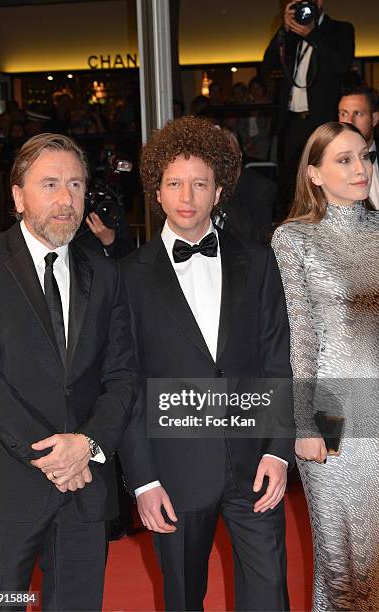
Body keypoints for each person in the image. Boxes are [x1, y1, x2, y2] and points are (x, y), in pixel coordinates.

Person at [119, 116, 294, 611]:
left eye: (200, 183)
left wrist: (278, 451)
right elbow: (127, 384)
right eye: (174, 183)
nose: (187, 195)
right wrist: (144, 480)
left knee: (268, 597)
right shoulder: (128, 278)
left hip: (254, 464)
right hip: (174, 471)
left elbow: (278, 361)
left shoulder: (258, 263)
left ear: (219, 192)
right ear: (157, 192)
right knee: (182, 600)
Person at [0, 133, 138, 611]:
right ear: (18, 195)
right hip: (5, 491)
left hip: (84, 489)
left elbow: (123, 375)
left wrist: (85, 445)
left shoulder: (105, 273)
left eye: (75, 184)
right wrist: (49, 454)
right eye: (49, 184)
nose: (66, 199)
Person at [272, 121, 379, 611]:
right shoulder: (295, 239)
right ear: (315, 174)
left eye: (363, 156)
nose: (359, 168)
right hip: (333, 415)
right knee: (341, 560)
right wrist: (304, 423)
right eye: (343, 159)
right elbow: (301, 337)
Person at [263, 0, 355, 213]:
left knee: (323, 184)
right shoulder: (291, 36)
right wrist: (284, 30)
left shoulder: (341, 29)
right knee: (290, 187)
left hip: (321, 122)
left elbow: (342, 64)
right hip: (292, 122)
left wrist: (312, 34)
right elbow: (266, 67)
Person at [338, 86, 379, 211]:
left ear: (374, 119)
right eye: (344, 114)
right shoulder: (325, 166)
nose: (349, 121)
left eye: (358, 113)